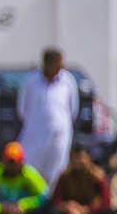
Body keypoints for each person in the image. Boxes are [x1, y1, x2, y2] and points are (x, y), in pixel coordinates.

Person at [17, 48, 79, 191]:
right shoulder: (31, 81)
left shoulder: (68, 80)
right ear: (48, 64)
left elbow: (73, 109)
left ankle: (52, 201)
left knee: (57, 172)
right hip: (34, 135)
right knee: (30, 170)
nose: (61, 68)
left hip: (59, 136)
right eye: (58, 64)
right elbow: (22, 109)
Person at [44, 147, 117, 214]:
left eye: (82, 158)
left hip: (91, 213)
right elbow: (56, 200)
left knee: (113, 213)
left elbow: (105, 202)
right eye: (77, 158)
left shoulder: (98, 176)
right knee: (49, 212)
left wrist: (85, 210)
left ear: (89, 159)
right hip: (70, 212)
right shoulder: (65, 176)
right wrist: (69, 208)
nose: (80, 161)